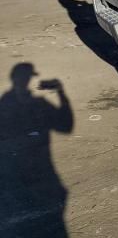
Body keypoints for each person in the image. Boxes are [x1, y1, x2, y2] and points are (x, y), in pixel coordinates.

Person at [0, 63, 73, 237]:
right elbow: (66, 126)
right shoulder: (38, 103)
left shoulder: (5, 102)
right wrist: (61, 93)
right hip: (40, 180)